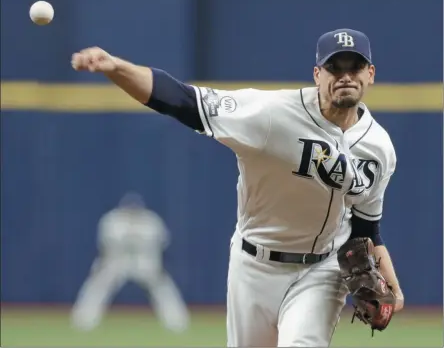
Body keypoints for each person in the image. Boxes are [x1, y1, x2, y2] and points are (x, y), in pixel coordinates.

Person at [71, 28, 404, 347]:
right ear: (317, 74)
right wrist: (116, 67)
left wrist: (394, 286)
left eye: (355, 66)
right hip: (254, 264)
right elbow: (183, 100)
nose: (346, 75)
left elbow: (366, 229)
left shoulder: (379, 148)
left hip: (323, 270)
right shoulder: (272, 114)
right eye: (335, 66)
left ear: (370, 73)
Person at [70, 192, 189, 333]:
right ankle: (84, 320)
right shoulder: (112, 220)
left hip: (144, 261)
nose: (132, 213)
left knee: (163, 286)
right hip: (117, 261)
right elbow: (105, 246)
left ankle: (176, 322)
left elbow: (161, 244)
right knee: (98, 284)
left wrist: (157, 266)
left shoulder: (150, 221)